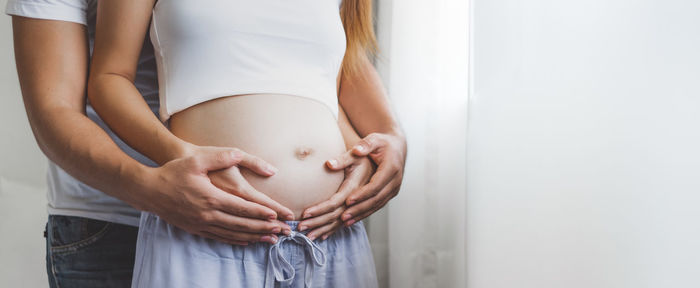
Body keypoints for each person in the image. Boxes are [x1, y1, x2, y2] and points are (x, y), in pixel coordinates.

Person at [7, 0, 405, 286]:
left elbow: (324, 70)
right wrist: (155, 181)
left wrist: (376, 145)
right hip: (130, 217)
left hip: (326, 234)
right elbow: (57, 108)